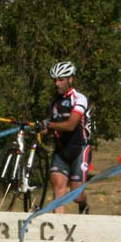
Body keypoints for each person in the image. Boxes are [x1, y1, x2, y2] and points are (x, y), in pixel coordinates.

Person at [38, 61, 92, 214]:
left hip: (80, 149)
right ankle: (58, 231)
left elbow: (70, 125)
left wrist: (48, 125)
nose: (57, 83)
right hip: (61, 151)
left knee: (77, 196)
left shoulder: (79, 98)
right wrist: (39, 129)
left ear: (70, 79)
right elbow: (53, 126)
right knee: (58, 189)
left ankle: (83, 205)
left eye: (61, 79)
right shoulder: (54, 101)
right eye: (55, 80)